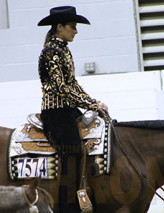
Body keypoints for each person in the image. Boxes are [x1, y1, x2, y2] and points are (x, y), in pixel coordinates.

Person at [37, 6, 107, 211]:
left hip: (67, 110)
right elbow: (61, 88)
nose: (76, 31)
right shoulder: (51, 52)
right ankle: (67, 205)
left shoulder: (63, 50)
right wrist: (89, 104)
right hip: (56, 112)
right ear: (60, 27)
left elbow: (73, 84)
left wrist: (94, 103)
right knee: (73, 151)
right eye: (72, 27)